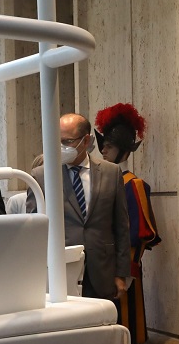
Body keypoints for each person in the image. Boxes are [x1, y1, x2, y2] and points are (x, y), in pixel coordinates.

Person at [29, 113, 130, 301]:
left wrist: (121, 273)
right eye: (56, 140)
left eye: (66, 141)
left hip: (103, 272)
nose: (60, 147)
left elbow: (121, 227)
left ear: (85, 141)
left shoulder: (111, 172)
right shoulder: (41, 176)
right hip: (61, 273)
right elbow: (33, 230)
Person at [94, 103, 161, 344]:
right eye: (103, 145)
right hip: (100, 268)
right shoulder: (99, 181)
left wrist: (125, 272)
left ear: (123, 150)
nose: (103, 150)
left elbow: (140, 234)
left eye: (109, 146)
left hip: (123, 271)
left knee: (125, 327)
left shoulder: (133, 185)